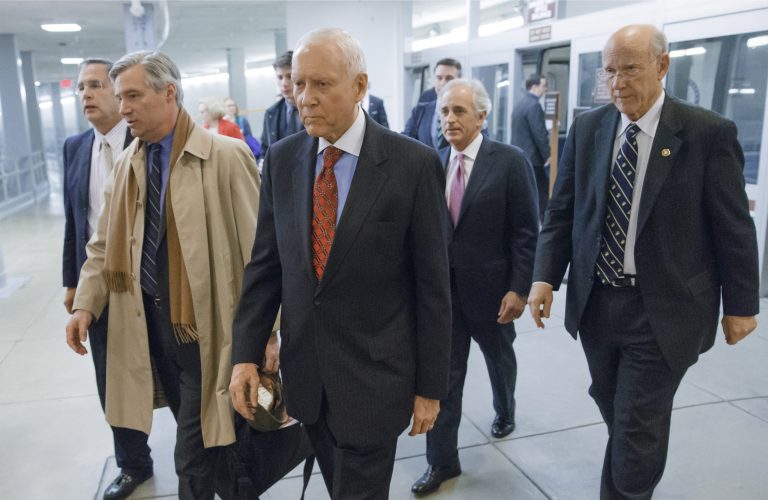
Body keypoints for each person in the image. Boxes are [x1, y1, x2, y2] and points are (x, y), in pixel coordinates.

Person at [527, 24, 759, 500]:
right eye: (609, 71)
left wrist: (741, 306)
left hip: (665, 309)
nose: (617, 83)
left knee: (635, 430)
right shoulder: (589, 129)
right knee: (618, 409)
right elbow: (563, 210)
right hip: (597, 305)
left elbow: (733, 228)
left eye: (630, 69)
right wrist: (544, 277)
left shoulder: (706, 133)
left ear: (662, 65)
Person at [229, 27, 452, 499]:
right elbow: (266, 267)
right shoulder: (284, 160)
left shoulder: (411, 165)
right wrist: (245, 354)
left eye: (322, 84)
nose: (305, 98)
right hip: (308, 383)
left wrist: (431, 388)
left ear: (359, 86)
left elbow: (433, 287)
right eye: (299, 84)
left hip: (376, 383)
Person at [65, 50, 270, 500]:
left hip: (209, 331)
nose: (124, 108)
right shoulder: (128, 165)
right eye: (121, 97)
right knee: (216, 445)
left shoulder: (225, 157)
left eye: (133, 96)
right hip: (154, 332)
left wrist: (270, 334)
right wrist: (85, 304)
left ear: (169, 93)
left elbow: (262, 255)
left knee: (190, 459)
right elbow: (102, 245)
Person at [411, 79, 539, 496]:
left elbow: (526, 232)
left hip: (493, 294)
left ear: (482, 116)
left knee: (499, 360)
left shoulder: (510, 161)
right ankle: (441, 463)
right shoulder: (432, 163)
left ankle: (506, 408)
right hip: (444, 298)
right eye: (445, 112)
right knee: (443, 380)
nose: (449, 119)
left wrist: (519, 288)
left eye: (459, 111)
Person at [62, 57, 154, 500]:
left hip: (150, 282)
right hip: (101, 283)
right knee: (110, 378)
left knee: (169, 370)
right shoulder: (75, 147)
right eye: (81, 87)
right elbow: (75, 222)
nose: (87, 94)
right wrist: (73, 284)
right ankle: (133, 464)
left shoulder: (148, 140)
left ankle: (205, 457)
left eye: (96, 85)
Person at [511, 74, 551, 222]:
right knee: (541, 193)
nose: (545, 89)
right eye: (543, 86)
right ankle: (543, 223)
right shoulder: (534, 105)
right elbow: (539, 133)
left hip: (521, 156)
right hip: (533, 159)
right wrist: (548, 154)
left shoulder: (520, 104)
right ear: (534, 87)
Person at [403, 58, 462, 149]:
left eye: (449, 78)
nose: (443, 83)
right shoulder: (420, 111)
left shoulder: (467, 112)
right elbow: (405, 141)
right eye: (439, 78)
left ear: (459, 81)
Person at [260, 50, 304, 157]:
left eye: (289, 76)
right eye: (280, 77)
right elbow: (265, 149)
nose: (284, 83)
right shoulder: (271, 113)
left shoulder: (317, 108)